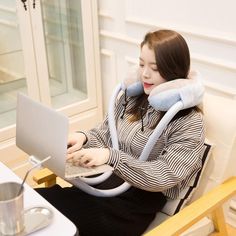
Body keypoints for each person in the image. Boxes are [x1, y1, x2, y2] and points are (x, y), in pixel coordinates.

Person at [35, 29, 205, 236]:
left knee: (57, 222)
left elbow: (164, 175)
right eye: (142, 64)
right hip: (104, 182)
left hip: (134, 204)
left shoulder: (190, 121)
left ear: (175, 72)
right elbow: (106, 133)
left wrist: (111, 156)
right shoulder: (133, 97)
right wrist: (84, 138)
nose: (144, 74)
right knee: (36, 201)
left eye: (155, 68)